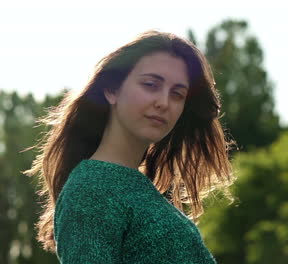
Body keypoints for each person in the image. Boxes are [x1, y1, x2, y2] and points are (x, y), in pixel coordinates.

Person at [23, 29, 235, 263]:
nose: (164, 102)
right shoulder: (92, 189)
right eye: (151, 85)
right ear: (111, 90)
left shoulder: (138, 188)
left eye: (177, 94)